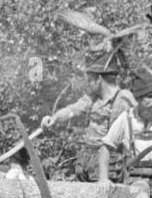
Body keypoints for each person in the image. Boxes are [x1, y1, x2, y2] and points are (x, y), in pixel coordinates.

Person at [41, 51, 136, 182]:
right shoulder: (93, 98)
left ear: (99, 79)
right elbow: (72, 110)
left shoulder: (123, 98)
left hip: (107, 161)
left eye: (91, 80)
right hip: (86, 160)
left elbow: (136, 126)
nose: (88, 84)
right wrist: (54, 118)